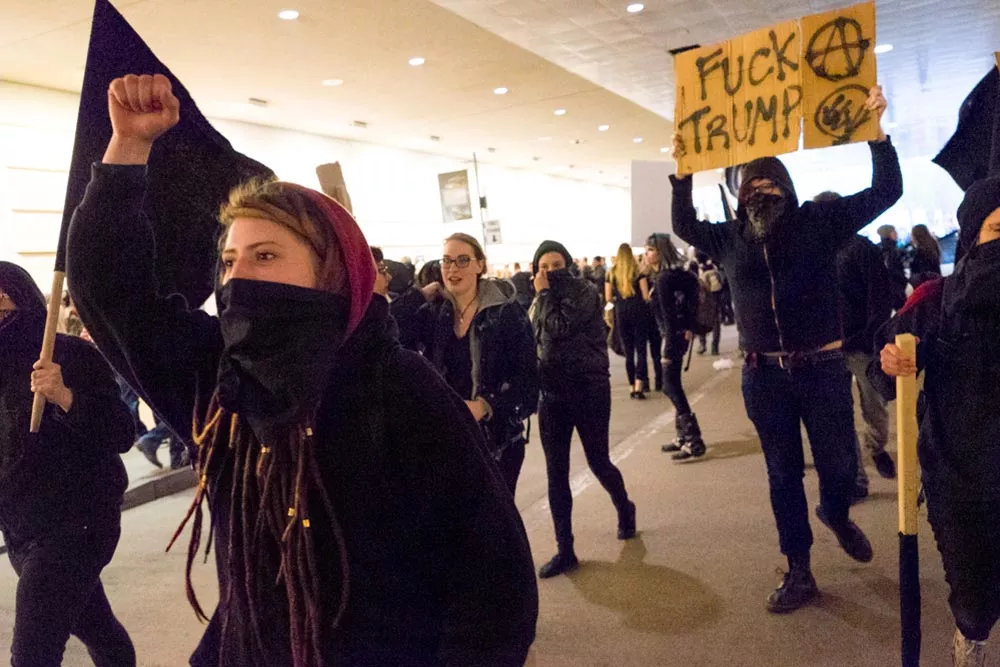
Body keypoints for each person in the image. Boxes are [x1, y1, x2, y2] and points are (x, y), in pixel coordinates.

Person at [67, 73, 538, 666]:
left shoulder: (397, 389)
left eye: (266, 256)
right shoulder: (220, 380)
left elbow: (492, 587)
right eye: (230, 260)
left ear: (331, 272)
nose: (238, 277)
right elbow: (110, 291)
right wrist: (127, 148)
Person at [669, 84, 901, 613]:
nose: (760, 191)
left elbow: (886, 190)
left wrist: (876, 133)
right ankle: (799, 569)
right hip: (762, 376)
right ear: (740, 193)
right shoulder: (729, 239)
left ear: (790, 190)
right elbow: (683, 224)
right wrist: (682, 172)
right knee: (782, 474)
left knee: (840, 468)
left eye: (772, 183)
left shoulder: (820, 224)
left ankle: (837, 514)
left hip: (821, 366)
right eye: (752, 184)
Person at [872, 177, 1000, 667]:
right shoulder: (933, 300)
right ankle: (971, 636)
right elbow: (883, 372)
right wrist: (891, 362)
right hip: (957, 477)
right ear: (971, 233)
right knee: (972, 596)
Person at [0, 262, 136, 667]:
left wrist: (63, 395)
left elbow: (120, 431)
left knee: (33, 653)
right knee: (100, 629)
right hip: (21, 529)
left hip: (78, 523)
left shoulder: (71, 356)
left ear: (20, 297)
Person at [397, 233, 539, 494]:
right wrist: (417, 296)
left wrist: (485, 406)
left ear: (480, 265)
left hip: (498, 443)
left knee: (496, 527)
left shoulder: (507, 314)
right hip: (446, 439)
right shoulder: (431, 314)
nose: (453, 268)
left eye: (463, 260)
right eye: (447, 261)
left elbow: (529, 385)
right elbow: (387, 331)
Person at [530, 240, 636, 579]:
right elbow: (537, 338)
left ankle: (625, 507)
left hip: (587, 389)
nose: (550, 271)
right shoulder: (538, 299)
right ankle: (565, 549)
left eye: (556, 264)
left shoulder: (584, 291)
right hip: (552, 393)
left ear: (568, 264)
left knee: (597, 460)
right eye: (543, 266)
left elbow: (560, 328)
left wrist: (544, 295)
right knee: (555, 472)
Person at [817, 191, 897, 501]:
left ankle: (875, 447)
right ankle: (856, 479)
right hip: (828, 349)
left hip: (861, 343)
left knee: (874, 404)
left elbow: (880, 300)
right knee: (840, 416)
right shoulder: (814, 252)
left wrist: (869, 337)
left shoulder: (862, 249)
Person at [645, 234, 707, 461]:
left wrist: (670, 340)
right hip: (679, 335)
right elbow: (689, 304)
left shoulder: (663, 279)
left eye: (650, 249)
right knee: (672, 385)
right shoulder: (681, 275)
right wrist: (688, 327)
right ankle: (683, 435)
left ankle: (693, 439)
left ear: (660, 251)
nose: (646, 254)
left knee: (670, 386)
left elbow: (668, 315)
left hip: (671, 337)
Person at [605, 243, 651, 399]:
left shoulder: (611, 273)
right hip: (638, 310)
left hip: (621, 311)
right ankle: (639, 384)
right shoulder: (638, 272)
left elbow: (608, 297)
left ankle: (631, 386)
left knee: (628, 352)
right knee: (642, 350)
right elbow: (645, 296)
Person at [694, 251, 724, 356]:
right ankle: (713, 346)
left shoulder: (707, 271)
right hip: (712, 298)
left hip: (708, 299)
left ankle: (705, 345)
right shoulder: (713, 269)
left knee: (704, 320)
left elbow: (715, 287)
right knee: (714, 322)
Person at [878, 224, 909, 310]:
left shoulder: (884, 249)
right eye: (894, 231)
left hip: (893, 289)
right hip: (896, 289)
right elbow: (893, 270)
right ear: (889, 234)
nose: (896, 233)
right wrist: (905, 281)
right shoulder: (890, 250)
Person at [908, 223, 943, 287]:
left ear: (916, 236)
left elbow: (917, 273)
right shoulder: (933, 246)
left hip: (925, 286)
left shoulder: (918, 253)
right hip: (937, 281)